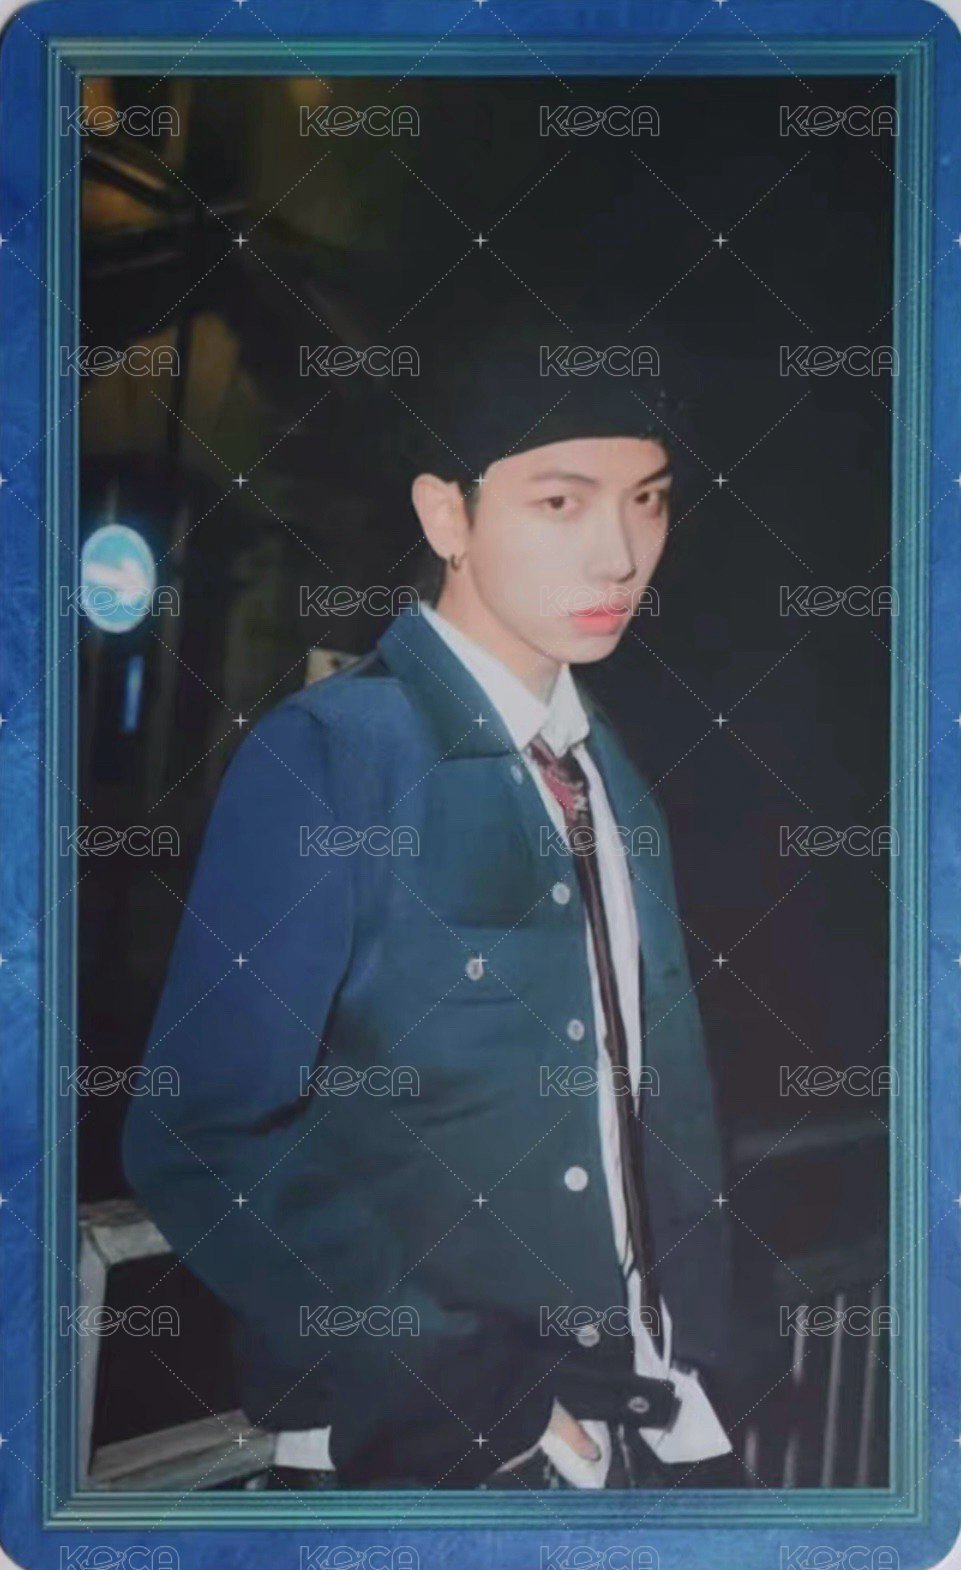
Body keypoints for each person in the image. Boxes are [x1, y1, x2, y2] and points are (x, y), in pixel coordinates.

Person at [122, 339, 743, 1491]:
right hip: (435, 1455)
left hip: (640, 1432)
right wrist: (481, 1392)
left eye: (649, 501)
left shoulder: (607, 768)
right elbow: (195, 1132)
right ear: (446, 515)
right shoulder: (336, 754)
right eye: (560, 502)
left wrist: (691, 1369)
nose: (619, 552)